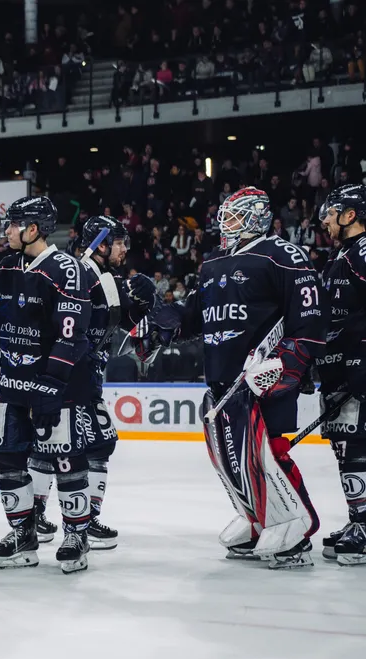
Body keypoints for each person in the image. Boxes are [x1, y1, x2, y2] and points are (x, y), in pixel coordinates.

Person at [133, 188, 325, 568]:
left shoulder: (284, 255)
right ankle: (258, 519)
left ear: (256, 216)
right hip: (223, 380)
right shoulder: (212, 263)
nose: (226, 223)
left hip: (265, 375)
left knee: (269, 452)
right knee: (231, 458)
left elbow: (309, 323)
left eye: (235, 215)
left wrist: (286, 367)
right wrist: (153, 310)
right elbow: (190, 317)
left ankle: (295, 525)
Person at [0, 195, 95, 575]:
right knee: (7, 460)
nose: (6, 231)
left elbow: (71, 337)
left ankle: (77, 534)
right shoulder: (7, 267)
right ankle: (23, 533)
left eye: (12, 224)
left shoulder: (67, 269)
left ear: (33, 229)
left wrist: (51, 387)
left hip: (56, 388)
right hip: (14, 387)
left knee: (66, 460)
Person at [29, 215, 158, 550]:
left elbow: (115, 330)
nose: (123, 249)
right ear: (100, 243)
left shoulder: (104, 276)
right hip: (66, 376)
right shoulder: (77, 271)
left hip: (85, 377)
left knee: (84, 444)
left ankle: (64, 518)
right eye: (118, 243)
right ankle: (44, 518)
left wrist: (139, 304)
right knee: (62, 446)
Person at [317, 184, 366, 565]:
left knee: (357, 445)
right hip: (340, 367)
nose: (325, 220)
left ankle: (364, 525)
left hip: (358, 364)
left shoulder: (362, 252)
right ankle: (358, 519)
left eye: (331, 213)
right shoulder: (344, 255)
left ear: (350, 215)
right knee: (346, 445)